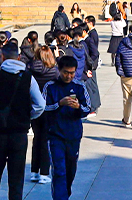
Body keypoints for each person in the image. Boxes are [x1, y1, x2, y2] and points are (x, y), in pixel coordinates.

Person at [0, 42, 46, 200]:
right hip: (19, 133)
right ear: (19, 57)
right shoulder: (28, 78)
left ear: (3, 57)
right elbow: (40, 104)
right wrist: (28, 115)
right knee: (16, 178)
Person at [43, 55, 90, 200]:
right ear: (59, 70)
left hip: (73, 135)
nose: (69, 76)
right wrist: (59, 104)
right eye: (65, 72)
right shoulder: (50, 87)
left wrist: (78, 107)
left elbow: (88, 108)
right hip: (55, 134)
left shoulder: (79, 86)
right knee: (59, 171)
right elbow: (43, 109)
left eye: (72, 73)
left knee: (70, 170)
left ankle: (65, 194)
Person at [27, 41, 59, 182]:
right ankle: (44, 173)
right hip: (49, 109)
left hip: (34, 108)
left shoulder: (30, 70)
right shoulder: (54, 71)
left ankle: (34, 171)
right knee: (46, 140)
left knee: (37, 139)